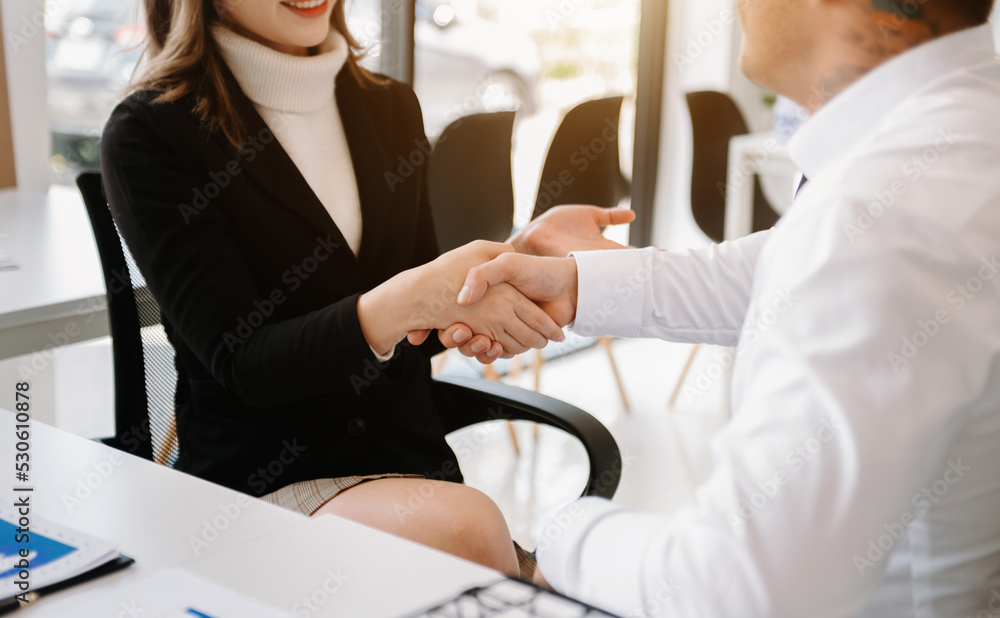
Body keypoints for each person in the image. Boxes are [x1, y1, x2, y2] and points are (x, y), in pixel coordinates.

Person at [448, 0, 1000, 614]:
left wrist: (561, 537)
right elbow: (779, 268)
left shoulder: (875, 218)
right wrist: (581, 282)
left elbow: (738, 587)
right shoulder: (964, 132)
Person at [99, 0, 608, 576]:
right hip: (262, 486)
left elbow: (418, 329)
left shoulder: (387, 105)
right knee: (473, 536)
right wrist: (409, 300)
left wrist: (512, 263)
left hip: (412, 471)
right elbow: (244, 363)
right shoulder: (152, 132)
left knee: (538, 573)